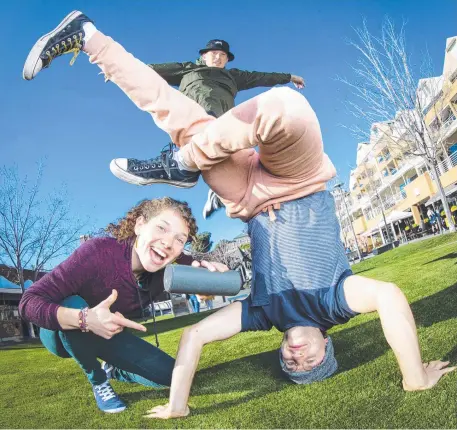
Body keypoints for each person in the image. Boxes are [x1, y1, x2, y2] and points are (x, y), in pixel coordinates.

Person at [23, 11, 455, 420]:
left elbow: (194, 337)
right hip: (299, 181)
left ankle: (90, 37)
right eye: (310, 363)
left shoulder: (262, 314)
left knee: (169, 109)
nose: (296, 357)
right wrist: (414, 378)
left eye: (291, 365)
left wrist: (179, 406)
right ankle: (186, 161)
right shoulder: (336, 302)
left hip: (246, 196)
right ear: (327, 345)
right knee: (286, 107)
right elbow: (390, 297)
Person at [18, 196, 225, 414]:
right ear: (140, 225)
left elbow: (191, 261)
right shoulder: (97, 251)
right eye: (161, 228)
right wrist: (85, 319)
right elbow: (28, 303)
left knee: (173, 377)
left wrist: (205, 272)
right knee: (74, 303)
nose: (168, 243)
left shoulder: (166, 265)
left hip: (107, 335)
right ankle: (98, 380)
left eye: (179, 239)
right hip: (62, 333)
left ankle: (115, 371)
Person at [108, 37, 304, 219]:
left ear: (227, 60)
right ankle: (178, 168)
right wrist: (120, 70)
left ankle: (212, 187)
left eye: (223, 56)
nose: (218, 58)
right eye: (214, 54)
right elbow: (150, 70)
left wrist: (289, 76)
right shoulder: (187, 69)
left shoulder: (234, 76)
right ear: (203, 55)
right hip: (190, 119)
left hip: (220, 122)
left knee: (232, 154)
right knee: (200, 147)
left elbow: (261, 77)